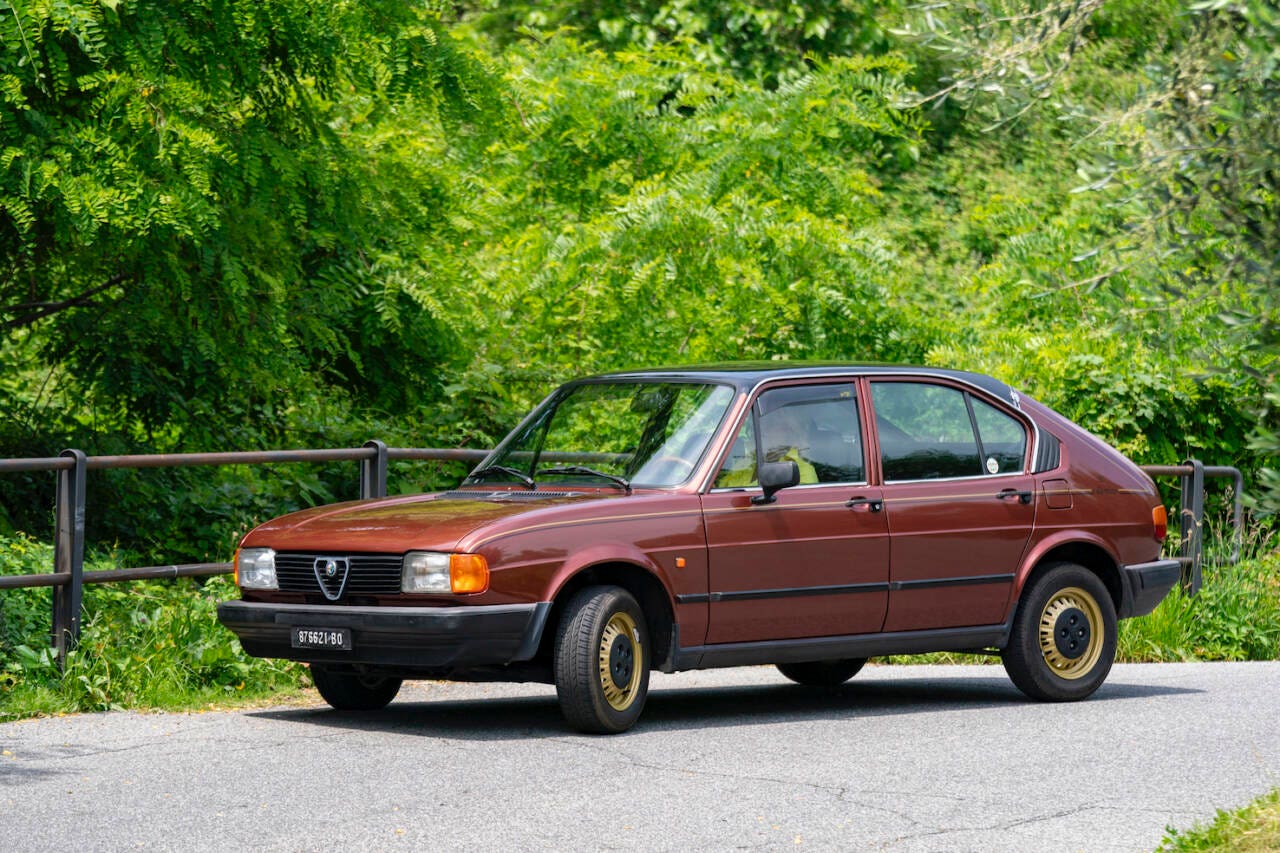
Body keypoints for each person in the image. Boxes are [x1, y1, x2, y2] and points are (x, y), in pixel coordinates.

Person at [715, 405, 818, 487]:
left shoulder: (802, 471)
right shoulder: (746, 462)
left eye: (771, 423)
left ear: (789, 431)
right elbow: (721, 490)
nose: (762, 428)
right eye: (760, 422)